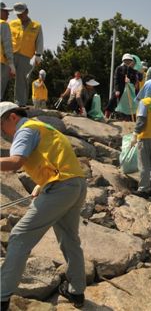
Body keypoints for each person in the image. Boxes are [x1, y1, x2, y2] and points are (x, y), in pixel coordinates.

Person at [0, 102, 87, 310]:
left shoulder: (24, 130)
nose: (2, 131)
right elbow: (56, 157)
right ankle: (76, 291)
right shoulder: (42, 126)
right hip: (76, 184)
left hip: (61, 188)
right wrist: (41, 183)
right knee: (69, 238)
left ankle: (2, 296)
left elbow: (15, 162)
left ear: (12, 117)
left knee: (20, 236)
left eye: (1, 124)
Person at [130, 80, 151, 198]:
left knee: (144, 164)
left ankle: (143, 189)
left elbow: (141, 120)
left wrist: (135, 134)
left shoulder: (144, 103)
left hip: (145, 136)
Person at [9, 2, 44, 107]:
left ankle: (20, 103)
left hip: (26, 56)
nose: (19, 16)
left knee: (22, 79)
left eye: (21, 13)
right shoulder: (12, 23)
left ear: (27, 11)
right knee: (3, 76)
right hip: (10, 54)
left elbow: (39, 41)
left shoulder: (36, 26)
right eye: (17, 14)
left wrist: (38, 55)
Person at [105, 53, 138, 119]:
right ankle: (107, 114)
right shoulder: (119, 68)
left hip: (129, 90)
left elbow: (134, 81)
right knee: (113, 99)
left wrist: (130, 81)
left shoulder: (133, 71)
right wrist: (117, 90)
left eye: (129, 60)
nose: (128, 62)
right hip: (120, 88)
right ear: (123, 60)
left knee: (130, 103)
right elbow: (116, 79)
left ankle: (128, 117)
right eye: (126, 60)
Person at [0, 2, 15, 100]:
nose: (8, 14)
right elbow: (7, 45)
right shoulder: (4, 24)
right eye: (6, 11)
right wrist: (11, 64)